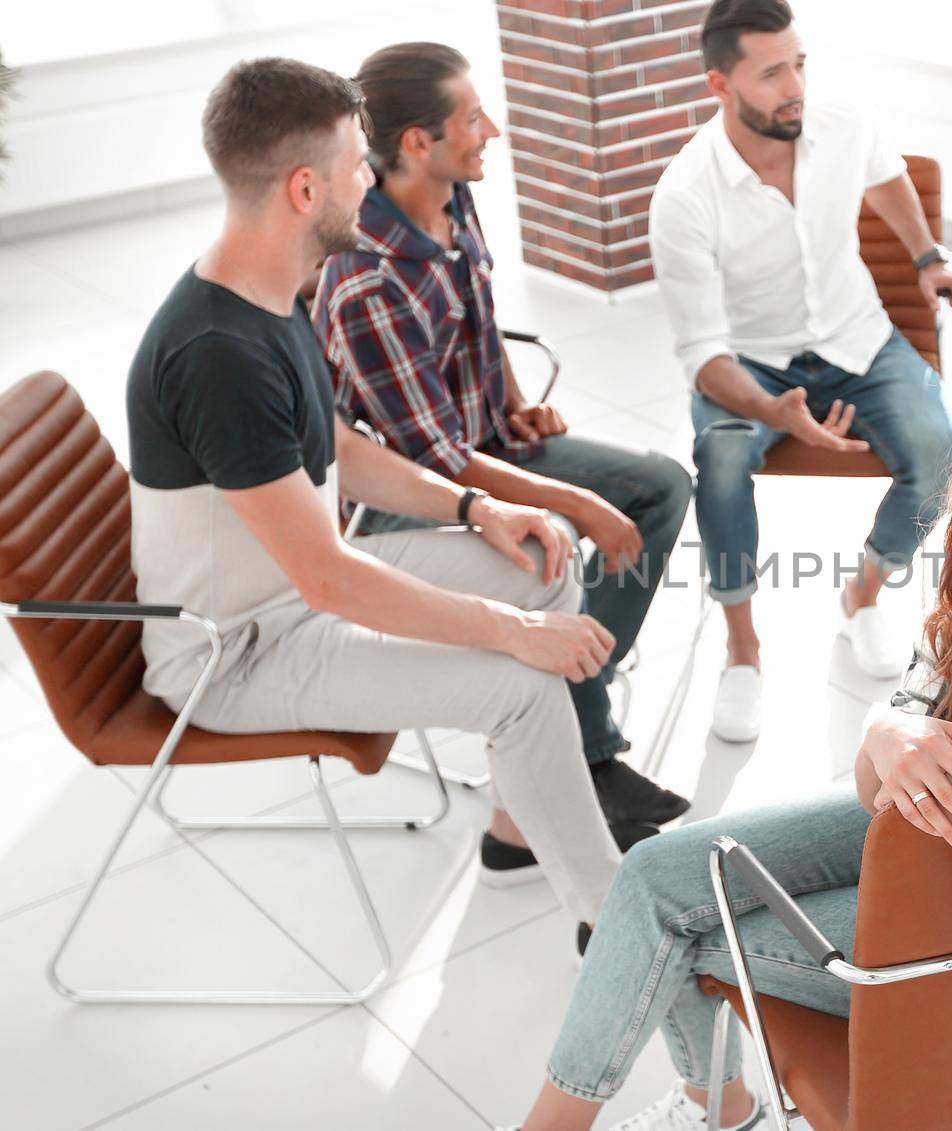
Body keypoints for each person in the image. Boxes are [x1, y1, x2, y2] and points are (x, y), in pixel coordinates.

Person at [495, 322, 952, 1131]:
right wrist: (885, 734)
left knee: (677, 931)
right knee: (652, 875)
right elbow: (882, 783)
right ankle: (724, 1108)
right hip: (932, 842)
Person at [126, 57, 621, 939]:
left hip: (293, 594)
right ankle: (622, 926)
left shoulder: (265, 288)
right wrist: (513, 634)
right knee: (523, 686)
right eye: (360, 164)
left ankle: (522, 827)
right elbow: (329, 581)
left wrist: (480, 510)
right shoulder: (217, 354)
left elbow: (341, 452)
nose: (372, 181)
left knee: (545, 555)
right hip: (238, 650)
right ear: (305, 187)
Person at [315, 43, 694, 884]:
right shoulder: (365, 278)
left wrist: (515, 399)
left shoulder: (453, 197)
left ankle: (569, 699)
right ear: (416, 141)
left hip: (484, 437)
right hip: (414, 492)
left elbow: (478, 319)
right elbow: (436, 460)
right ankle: (579, 754)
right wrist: (575, 502)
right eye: (472, 119)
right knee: (558, 534)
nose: (492, 131)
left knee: (660, 488)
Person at [649, 0, 952, 742]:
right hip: (749, 362)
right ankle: (743, 649)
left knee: (940, 452)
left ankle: (861, 596)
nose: (795, 84)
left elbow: (887, 177)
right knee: (721, 460)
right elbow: (704, 355)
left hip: (857, 340)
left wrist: (928, 256)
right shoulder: (684, 197)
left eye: (799, 62)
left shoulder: (841, 121)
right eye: (771, 73)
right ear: (719, 86)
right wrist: (773, 413)